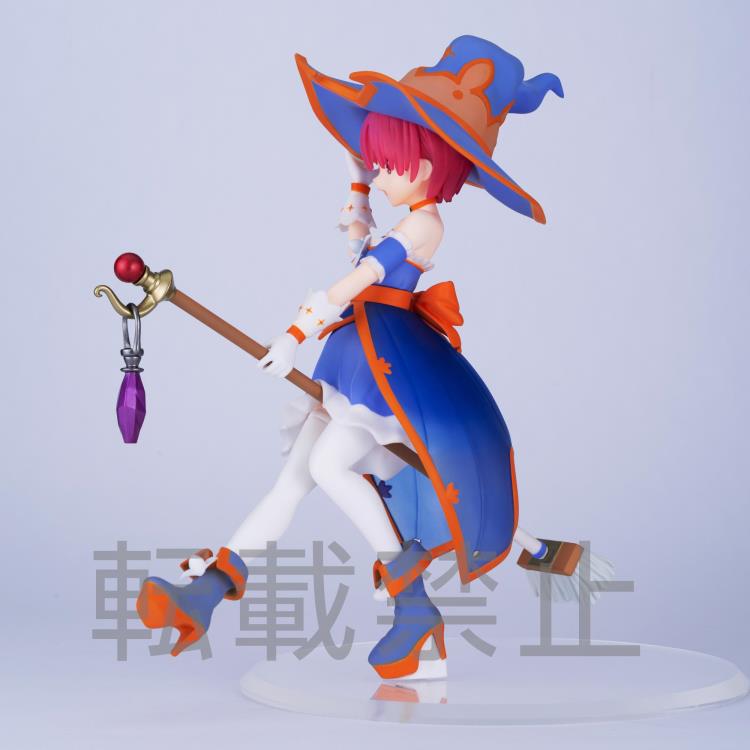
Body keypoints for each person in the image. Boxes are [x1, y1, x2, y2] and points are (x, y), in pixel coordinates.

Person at [136, 34, 563, 681]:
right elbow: (359, 242)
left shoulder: (424, 226)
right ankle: (204, 594)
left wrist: (293, 334)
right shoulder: (399, 215)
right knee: (293, 481)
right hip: (354, 357)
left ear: (428, 165)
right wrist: (358, 178)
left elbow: (358, 279)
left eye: (391, 162)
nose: (382, 173)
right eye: (379, 162)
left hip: (383, 363)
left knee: (330, 464)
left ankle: (413, 605)